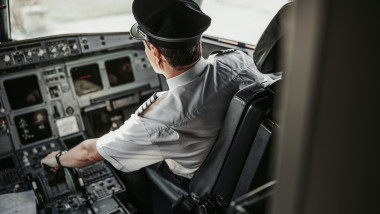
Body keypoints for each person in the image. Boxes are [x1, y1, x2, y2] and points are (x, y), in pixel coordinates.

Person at [41, 0, 269, 212]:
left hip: (196, 184)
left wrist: (57, 158)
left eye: (145, 46)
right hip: (248, 172)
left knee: (124, 163)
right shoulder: (237, 59)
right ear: (197, 41)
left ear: (156, 54)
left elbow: (89, 153)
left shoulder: (163, 117)